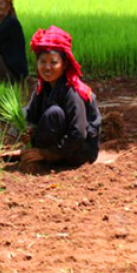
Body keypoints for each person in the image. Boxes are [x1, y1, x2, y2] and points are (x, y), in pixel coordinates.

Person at [21, 26, 101, 169]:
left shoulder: (72, 91)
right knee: (28, 113)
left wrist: (46, 153)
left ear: (64, 65)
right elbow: (29, 113)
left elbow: (78, 134)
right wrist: (25, 128)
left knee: (54, 114)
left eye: (53, 62)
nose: (47, 67)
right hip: (61, 143)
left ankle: (43, 157)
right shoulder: (42, 87)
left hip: (79, 149)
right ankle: (38, 153)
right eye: (42, 62)